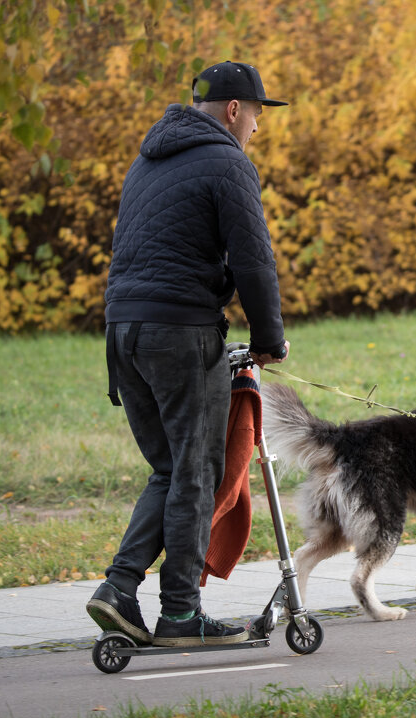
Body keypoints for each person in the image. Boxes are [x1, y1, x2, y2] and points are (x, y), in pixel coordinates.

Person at [87, 61, 291, 648]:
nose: (256, 126)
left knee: (172, 469)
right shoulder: (229, 163)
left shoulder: (148, 159)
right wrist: (269, 340)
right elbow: (254, 259)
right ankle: (180, 613)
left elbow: (168, 250)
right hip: (178, 334)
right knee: (197, 470)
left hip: (122, 330)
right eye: (255, 114)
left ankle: (119, 590)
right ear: (233, 109)